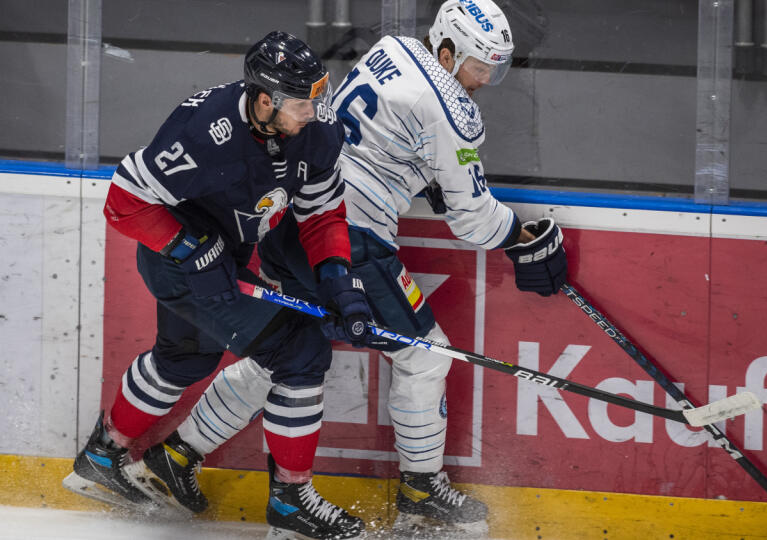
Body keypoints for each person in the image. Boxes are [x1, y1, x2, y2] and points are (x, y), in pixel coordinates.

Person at [143, 0, 568, 536]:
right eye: (480, 66)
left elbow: (371, 139)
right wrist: (524, 239)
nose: (486, 80)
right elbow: (473, 219)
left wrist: (425, 174)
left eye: (495, 68)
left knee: (285, 352)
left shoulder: (390, 49)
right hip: (350, 239)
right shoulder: (458, 115)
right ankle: (420, 492)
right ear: (445, 50)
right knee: (424, 358)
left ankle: (177, 455)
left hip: (289, 221)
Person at [62, 31, 374, 540]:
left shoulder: (314, 133)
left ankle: (103, 456)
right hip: (180, 262)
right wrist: (189, 247)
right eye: (302, 104)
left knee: (186, 359)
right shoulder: (204, 130)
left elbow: (321, 213)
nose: (313, 114)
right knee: (301, 351)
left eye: (318, 99)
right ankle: (291, 502)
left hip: (227, 255)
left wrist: (340, 280)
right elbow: (123, 202)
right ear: (266, 100)